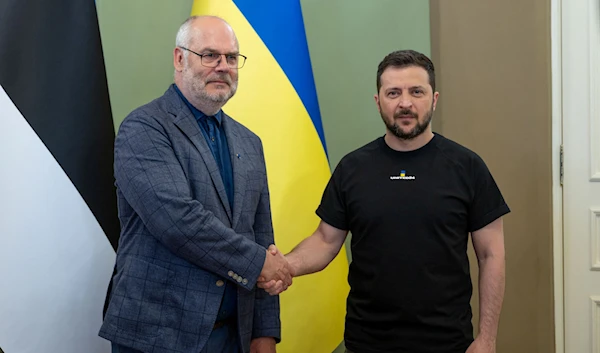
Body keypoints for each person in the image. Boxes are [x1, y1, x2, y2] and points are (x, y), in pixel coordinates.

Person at [260, 50, 509, 353]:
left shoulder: (468, 167)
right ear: (379, 101)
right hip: (368, 342)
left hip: (448, 342)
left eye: (416, 91)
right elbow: (325, 241)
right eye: (393, 93)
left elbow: (491, 255)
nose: (405, 103)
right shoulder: (353, 168)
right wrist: (287, 265)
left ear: (434, 98)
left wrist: (487, 338)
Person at [99, 16, 292, 353]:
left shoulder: (250, 142)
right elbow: (177, 220)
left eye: (231, 58)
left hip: (235, 337)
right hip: (159, 337)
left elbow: (262, 234)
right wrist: (261, 264)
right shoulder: (143, 128)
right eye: (209, 55)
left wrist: (265, 332)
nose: (223, 67)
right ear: (179, 59)